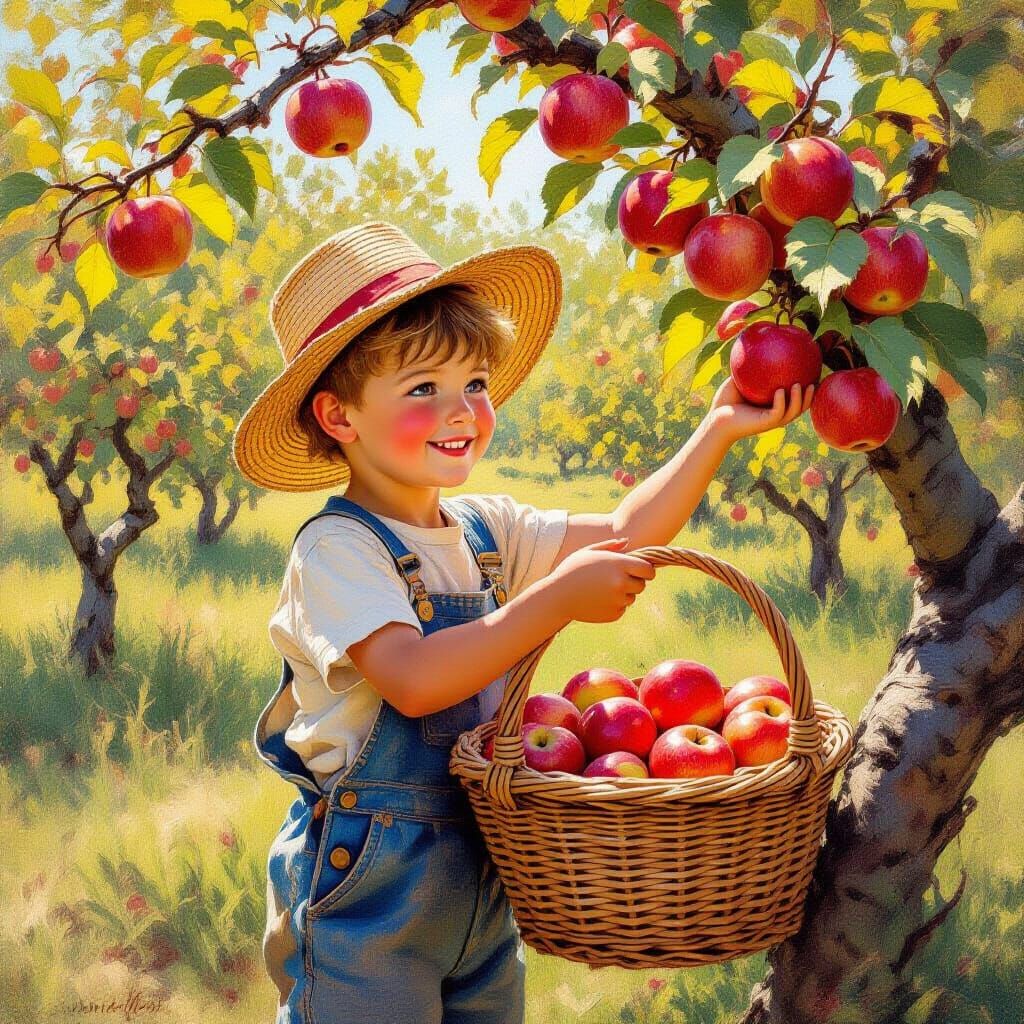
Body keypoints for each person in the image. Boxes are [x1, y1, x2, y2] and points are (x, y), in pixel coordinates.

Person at [231, 220, 813, 1024]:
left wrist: (715, 431)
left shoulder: (481, 529)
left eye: (474, 383)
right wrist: (554, 599)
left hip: (482, 868)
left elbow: (626, 530)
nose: (462, 409)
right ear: (339, 418)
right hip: (370, 883)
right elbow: (413, 678)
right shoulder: (337, 550)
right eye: (423, 389)